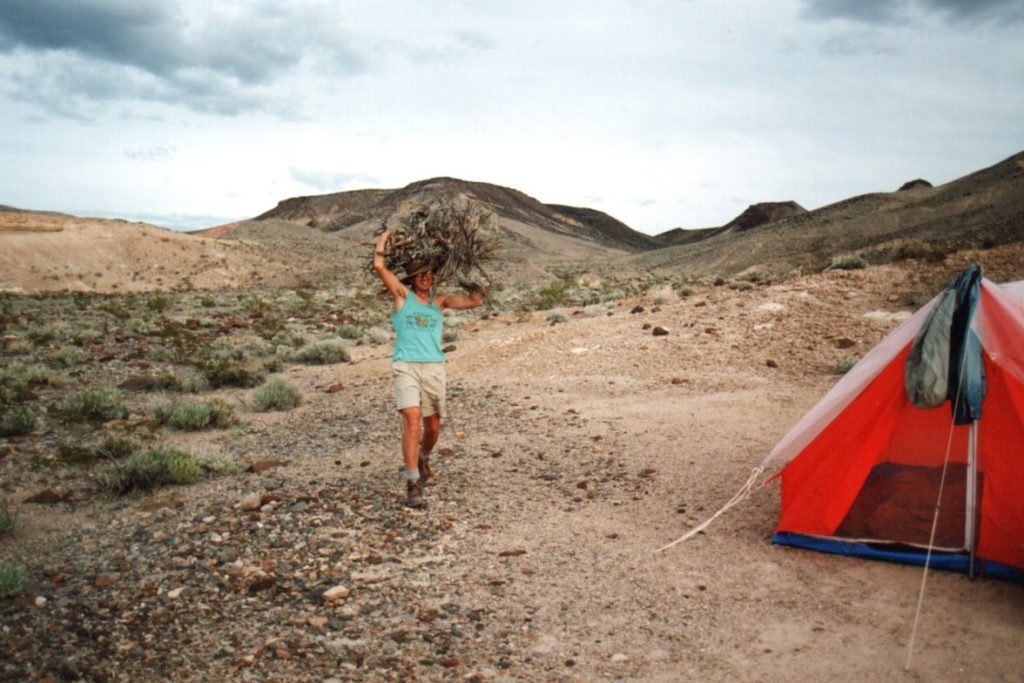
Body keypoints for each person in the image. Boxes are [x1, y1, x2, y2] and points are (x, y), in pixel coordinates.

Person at [373, 230, 484, 508]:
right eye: (420, 274)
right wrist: (384, 238)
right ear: (411, 278)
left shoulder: (440, 302)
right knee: (412, 420)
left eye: (429, 273)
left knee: (432, 428)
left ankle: (423, 459)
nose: (425, 277)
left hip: (434, 367)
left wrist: (467, 265)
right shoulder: (402, 297)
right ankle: (412, 484)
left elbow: (476, 300)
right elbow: (379, 266)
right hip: (406, 367)